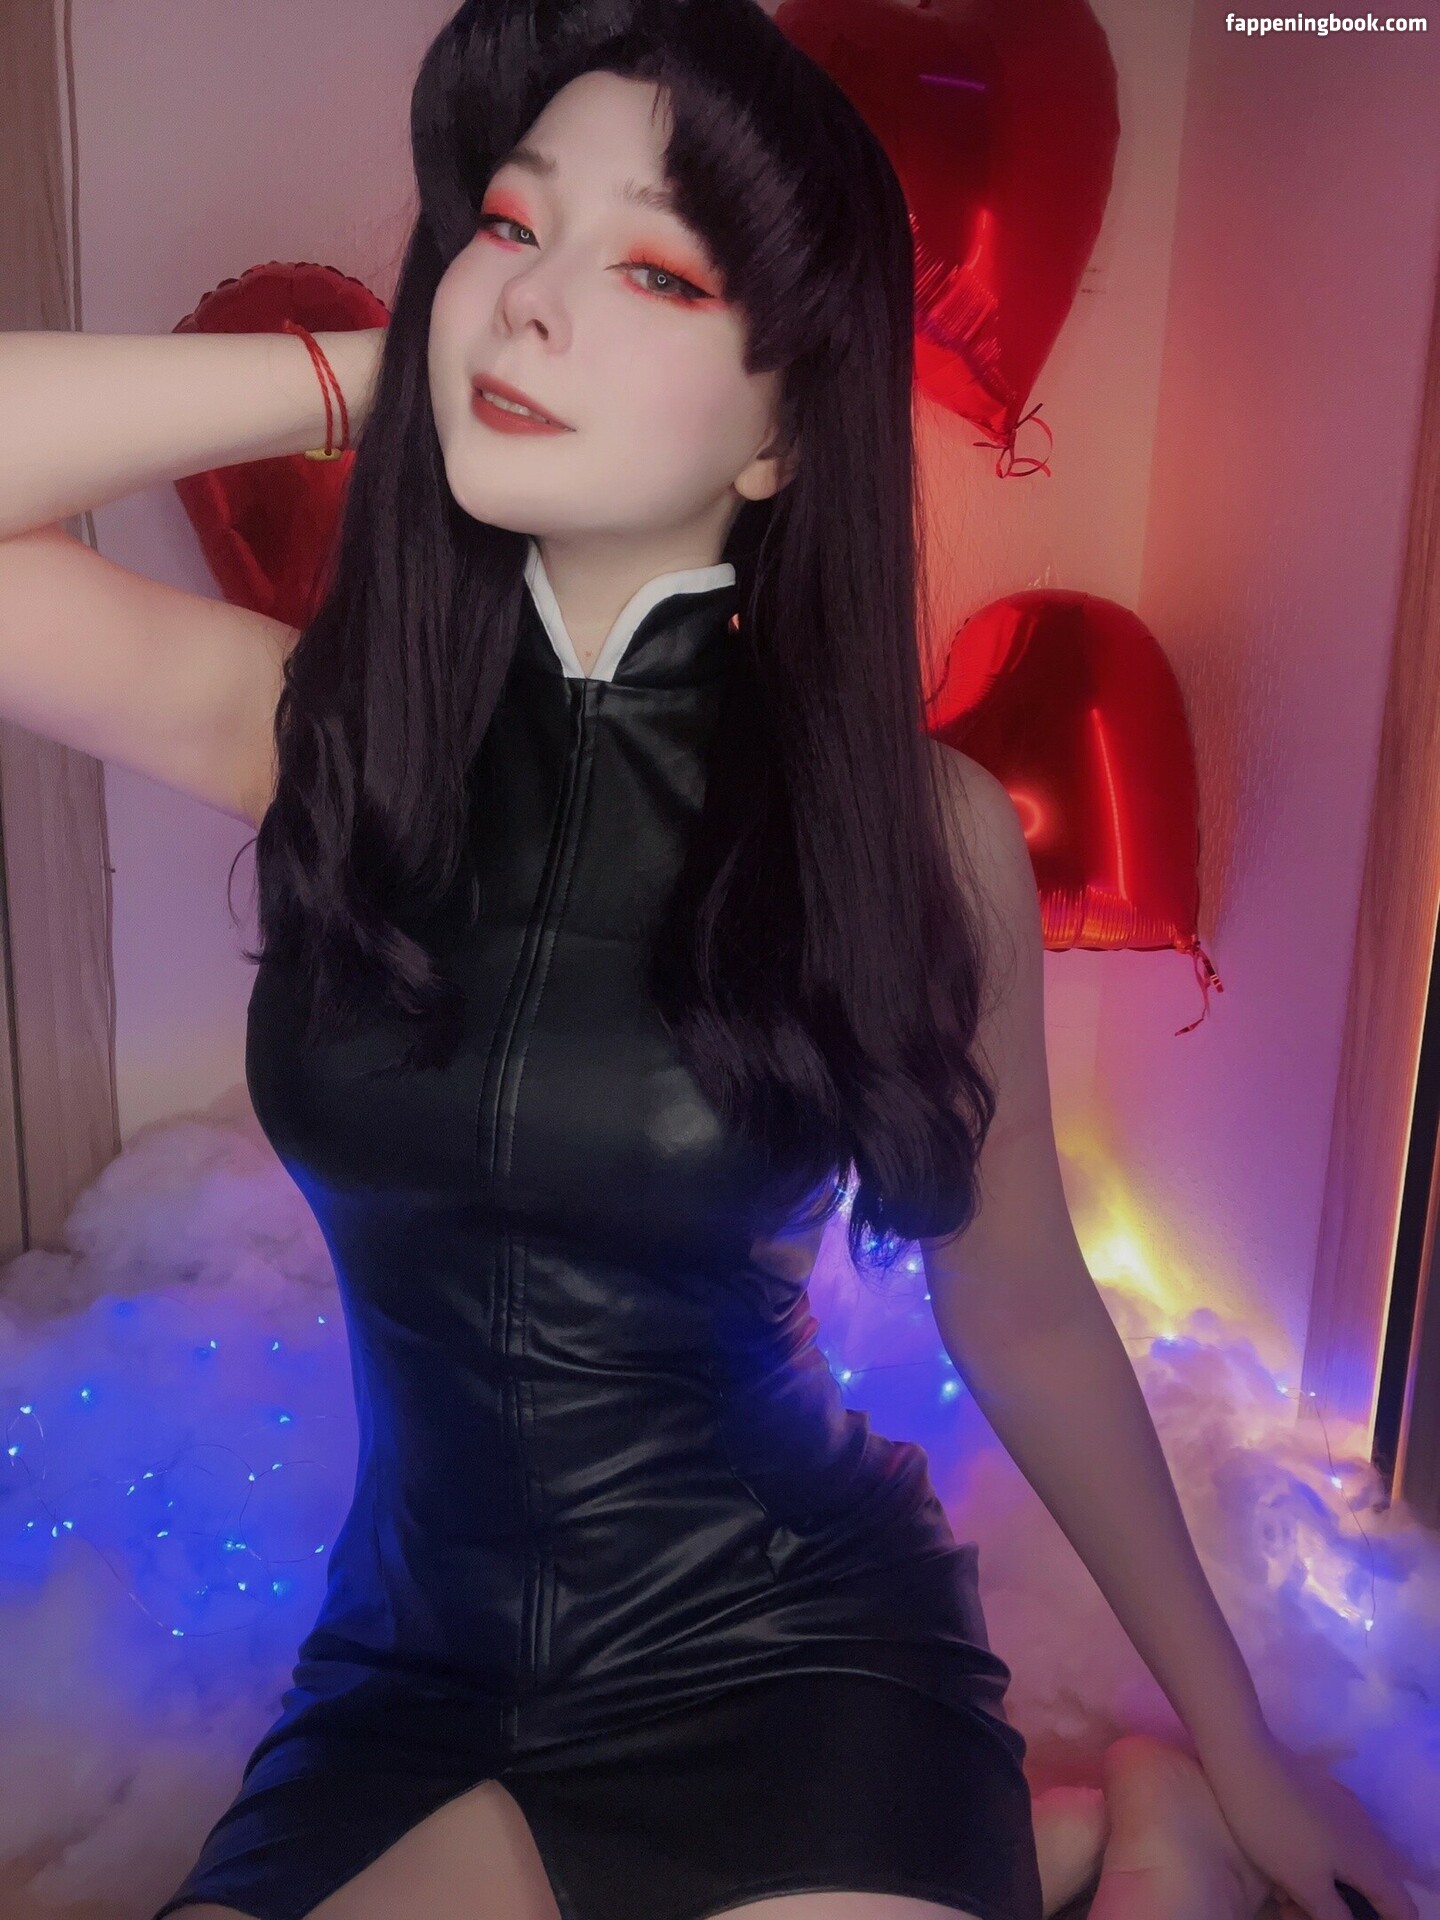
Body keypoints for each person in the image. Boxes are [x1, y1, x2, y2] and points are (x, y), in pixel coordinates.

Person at [0, 4, 1417, 1919]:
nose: (535, 299)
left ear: (782, 432)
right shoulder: (318, 729)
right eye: (511, 228)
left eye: (656, 270)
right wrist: (372, 373)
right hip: (408, 1677)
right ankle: (1071, 1842)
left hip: (789, 1653)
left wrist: (1243, 1746)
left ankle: (1127, 1814)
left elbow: (1018, 1300)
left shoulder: (913, 834)